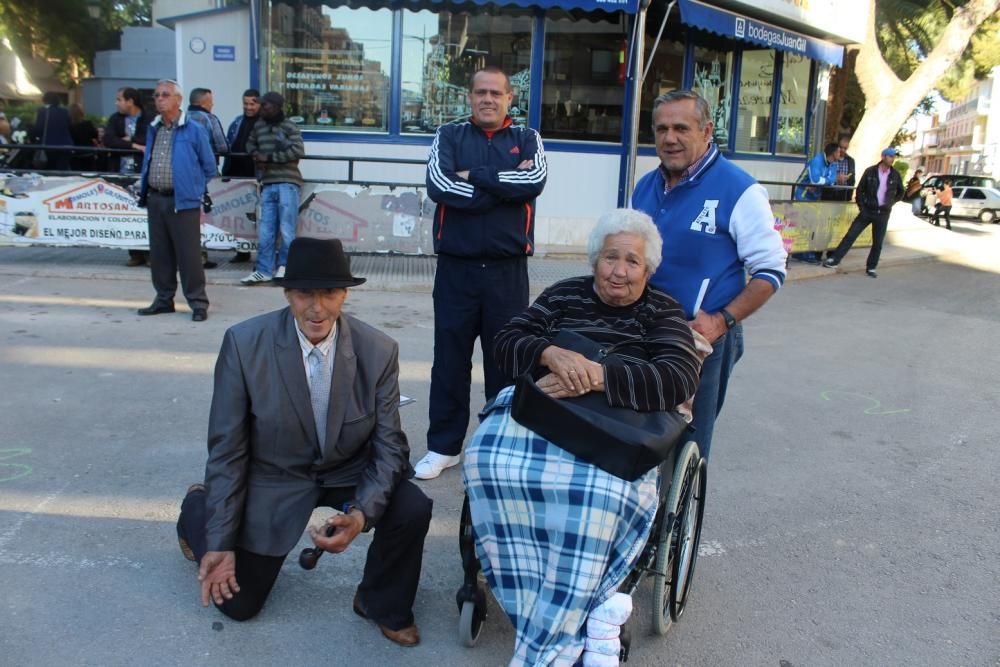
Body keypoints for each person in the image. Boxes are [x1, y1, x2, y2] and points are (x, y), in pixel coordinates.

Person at [463, 209, 703, 665]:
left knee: (597, 494)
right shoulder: (563, 295)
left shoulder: (662, 310)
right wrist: (550, 353)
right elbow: (507, 341)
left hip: (614, 427)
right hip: (547, 413)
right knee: (485, 461)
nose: (619, 271)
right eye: (610, 257)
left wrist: (598, 377)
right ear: (594, 260)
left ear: (648, 270)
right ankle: (542, 592)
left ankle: (555, 629)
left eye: (632, 262)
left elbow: (678, 379)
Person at [175, 237, 432, 646]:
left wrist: (362, 514)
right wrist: (220, 542)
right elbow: (227, 450)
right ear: (287, 294)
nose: (317, 308)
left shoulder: (379, 350)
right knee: (239, 606)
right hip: (274, 475)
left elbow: (390, 448)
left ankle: (380, 601)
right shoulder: (244, 345)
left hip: (347, 469)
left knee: (412, 505)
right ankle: (196, 510)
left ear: (345, 293)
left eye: (329, 293)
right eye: (304, 294)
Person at [631, 90, 787, 461]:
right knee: (635, 431)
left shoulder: (739, 189)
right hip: (643, 330)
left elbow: (771, 270)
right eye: (662, 129)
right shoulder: (645, 186)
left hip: (700, 339)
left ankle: (676, 517)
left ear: (706, 131)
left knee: (688, 442)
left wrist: (722, 320)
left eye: (681, 128)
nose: (670, 138)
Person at [415, 66, 548, 480]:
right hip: (457, 269)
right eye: (479, 93)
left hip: (508, 272)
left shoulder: (528, 139)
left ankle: (500, 445)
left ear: (510, 98)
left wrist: (476, 178)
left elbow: (535, 179)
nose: (487, 99)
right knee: (450, 359)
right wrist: (504, 189)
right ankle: (444, 447)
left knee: (506, 360)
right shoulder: (449, 136)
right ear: (469, 98)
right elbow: (440, 185)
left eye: (496, 93)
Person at [135, 79, 216, 321]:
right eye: (157, 95)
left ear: (178, 100)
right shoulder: (154, 128)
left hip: (184, 201)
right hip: (156, 198)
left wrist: (193, 187)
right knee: (160, 254)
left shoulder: (194, 129)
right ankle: (163, 299)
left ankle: (198, 303)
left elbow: (209, 166)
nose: (159, 99)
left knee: (189, 255)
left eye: (165, 95)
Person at [240, 91, 304, 285]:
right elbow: (249, 143)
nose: (261, 109)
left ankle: (285, 267)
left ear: (276, 106)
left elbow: (298, 151)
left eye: (265, 105)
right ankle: (264, 270)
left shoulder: (289, 126)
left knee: (286, 229)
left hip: (287, 182)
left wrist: (269, 158)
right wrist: (255, 154)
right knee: (266, 230)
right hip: (268, 182)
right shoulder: (259, 126)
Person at [823, 147, 905, 278]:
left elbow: (901, 192)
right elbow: (860, 189)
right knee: (851, 235)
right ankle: (834, 259)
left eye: (894, 156)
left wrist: (890, 203)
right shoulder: (871, 172)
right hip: (868, 210)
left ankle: (872, 267)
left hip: (883, 213)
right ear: (883, 156)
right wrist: (862, 206)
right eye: (890, 156)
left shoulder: (895, 174)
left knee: (878, 242)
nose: (892, 159)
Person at [104, 87, 152, 267]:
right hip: (121, 172)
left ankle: (150, 253)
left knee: (145, 214)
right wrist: (133, 145)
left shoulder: (148, 119)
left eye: (119, 99)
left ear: (130, 101)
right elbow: (109, 140)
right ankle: (135, 252)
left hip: (143, 172)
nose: (117, 103)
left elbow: (147, 140)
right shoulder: (115, 119)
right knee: (126, 213)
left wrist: (125, 140)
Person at [222, 88, 261, 263]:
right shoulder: (237, 122)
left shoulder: (263, 124)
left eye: (252, 103)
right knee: (237, 214)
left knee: (257, 215)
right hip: (236, 173)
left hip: (256, 175)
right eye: (246, 103)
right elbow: (229, 145)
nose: (249, 107)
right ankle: (241, 251)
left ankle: (261, 252)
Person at [31, 91, 73, 170]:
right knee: (62, 169)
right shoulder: (65, 111)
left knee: (50, 170)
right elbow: (69, 126)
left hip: (49, 145)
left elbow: (38, 129)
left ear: (44, 100)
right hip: (66, 145)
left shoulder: (42, 111)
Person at [186, 87, 229, 159]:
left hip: (186, 166)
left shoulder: (181, 119)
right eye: (210, 101)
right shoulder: (211, 119)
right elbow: (223, 148)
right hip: (207, 166)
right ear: (202, 104)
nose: (212, 104)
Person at [823, 132, 856, 202]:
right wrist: (836, 178)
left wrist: (849, 194)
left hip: (844, 194)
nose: (842, 150)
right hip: (829, 193)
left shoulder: (851, 160)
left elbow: (852, 178)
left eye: (845, 148)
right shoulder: (830, 158)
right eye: (841, 147)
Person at [67, 103, 99, 171]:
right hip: (87, 153)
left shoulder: (68, 126)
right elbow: (95, 135)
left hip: (74, 154)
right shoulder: (87, 124)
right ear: (81, 112)